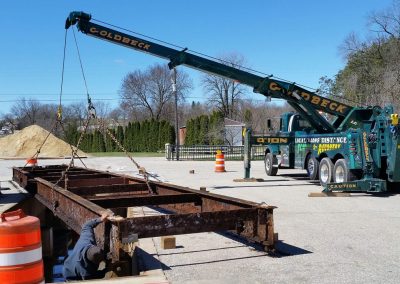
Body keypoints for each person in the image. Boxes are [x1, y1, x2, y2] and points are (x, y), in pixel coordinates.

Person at [63, 212, 110, 281]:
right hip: (69, 274)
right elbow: (97, 276)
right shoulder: (86, 272)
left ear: (91, 246)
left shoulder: (86, 240)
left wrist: (101, 219)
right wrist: (108, 269)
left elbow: (87, 225)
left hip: (70, 261)